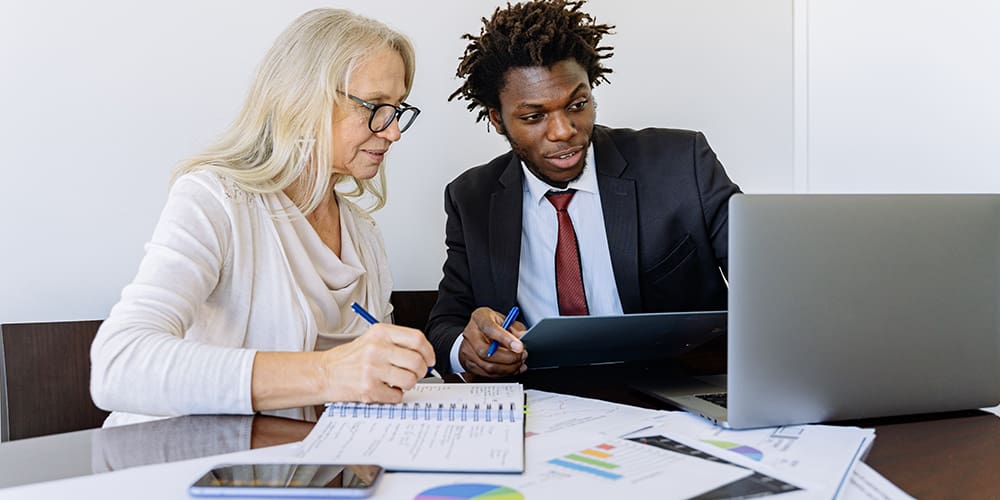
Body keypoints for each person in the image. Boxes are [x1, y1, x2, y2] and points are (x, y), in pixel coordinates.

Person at [90, 8, 435, 426]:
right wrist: (329, 373)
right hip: (180, 465)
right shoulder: (215, 200)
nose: (393, 131)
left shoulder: (364, 234)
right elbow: (119, 364)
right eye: (377, 106)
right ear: (303, 98)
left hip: (302, 468)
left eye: (397, 109)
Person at [426, 0, 741, 378]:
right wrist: (469, 348)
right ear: (497, 119)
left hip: (676, 391)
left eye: (577, 104)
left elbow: (767, 279)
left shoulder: (680, 165)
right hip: (541, 400)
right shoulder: (471, 198)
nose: (562, 131)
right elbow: (446, 324)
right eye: (533, 116)